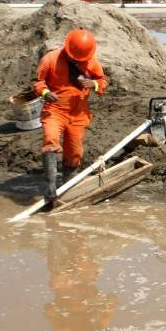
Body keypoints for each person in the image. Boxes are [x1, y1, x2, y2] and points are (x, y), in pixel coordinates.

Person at [33, 28, 108, 202]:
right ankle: (50, 186)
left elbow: (103, 81)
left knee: (74, 153)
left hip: (79, 113)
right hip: (55, 110)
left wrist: (95, 84)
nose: (78, 60)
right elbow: (38, 82)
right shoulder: (50, 59)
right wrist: (45, 93)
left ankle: (67, 188)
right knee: (50, 140)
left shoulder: (92, 61)